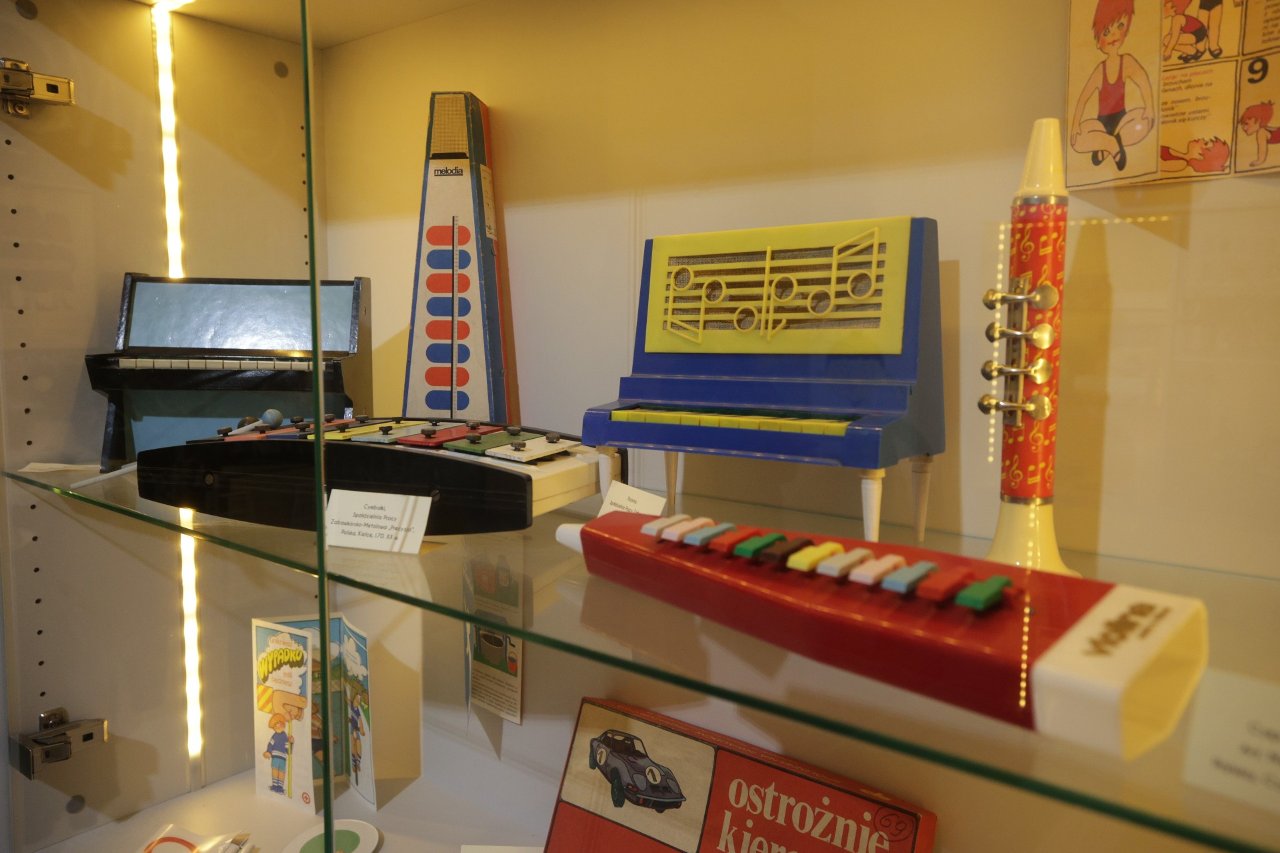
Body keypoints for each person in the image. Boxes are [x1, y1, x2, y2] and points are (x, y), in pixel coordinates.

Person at [1071, 0, 1154, 171]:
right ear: (1098, 41)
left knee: (1144, 119)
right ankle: (1111, 144)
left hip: (1122, 121)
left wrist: (1150, 107)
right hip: (1101, 124)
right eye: (1106, 32)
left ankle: (1108, 144)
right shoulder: (1099, 70)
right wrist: (1075, 125)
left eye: (1120, 26)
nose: (1114, 35)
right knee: (1076, 140)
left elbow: (1143, 81)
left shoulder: (1127, 62)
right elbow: (1083, 99)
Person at [1158, 137, 1231, 173]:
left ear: (1201, 157)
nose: (1201, 139)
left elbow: (1154, 166)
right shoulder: (1179, 154)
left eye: (1205, 143)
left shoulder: (1181, 164)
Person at [1239, 101, 1279, 167]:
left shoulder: (1261, 132)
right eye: (1242, 124)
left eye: (1246, 124)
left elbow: (1262, 151)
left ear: (1259, 121)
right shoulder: (1265, 129)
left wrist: (1259, 161)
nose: (1244, 128)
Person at [263, 713, 293, 794]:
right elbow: (270, 745)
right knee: (275, 770)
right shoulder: (274, 736)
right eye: (275, 725)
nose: (276, 726)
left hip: (283, 758)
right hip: (275, 757)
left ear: (282, 723)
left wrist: (291, 742)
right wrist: (268, 752)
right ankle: (275, 786)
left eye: (278, 723)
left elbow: (288, 751)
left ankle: (280, 787)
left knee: (281, 772)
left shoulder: (285, 736)